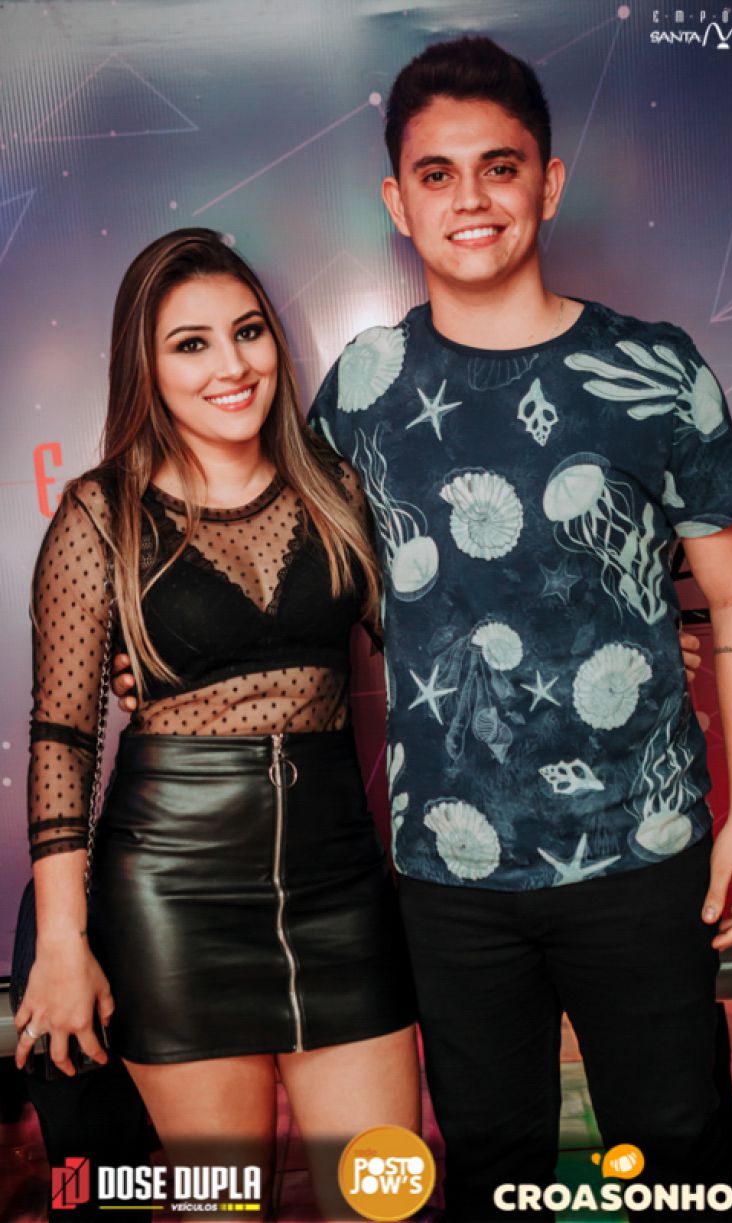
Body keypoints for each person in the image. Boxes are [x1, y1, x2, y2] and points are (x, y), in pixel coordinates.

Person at [109, 37, 732, 1222]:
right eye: (436, 173)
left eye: (497, 166)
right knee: (484, 1165)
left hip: (644, 852)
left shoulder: (652, 368)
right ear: (396, 201)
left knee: (679, 1164)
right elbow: (285, 563)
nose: (469, 198)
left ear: (547, 183)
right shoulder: (363, 387)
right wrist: (165, 654)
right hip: (445, 874)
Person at [15, 228, 418, 1222]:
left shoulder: (338, 487)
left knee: (385, 1202)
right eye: (190, 343)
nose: (231, 365)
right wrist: (63, 940)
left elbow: (434, 646)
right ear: (145, 366)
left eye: (247, 331)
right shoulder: (99, 516)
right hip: (173, 900)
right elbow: (63, 741)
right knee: (223, 1209)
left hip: (339, 886)